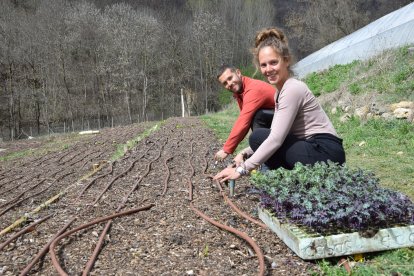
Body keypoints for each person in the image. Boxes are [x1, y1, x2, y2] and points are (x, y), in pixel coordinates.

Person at [214, 27, 346, 182]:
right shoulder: (280, 92)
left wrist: (242, 169)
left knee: (258, 137)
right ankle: (280, 180)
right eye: (263, 65)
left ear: (286, 60)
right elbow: (277, 133)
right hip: (313, 148)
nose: (268, 69)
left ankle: (275, 179)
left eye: (273, 63)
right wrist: (244, 154)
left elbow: (275, 139)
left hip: (325, 152)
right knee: (259, 138)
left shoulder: (292, 89)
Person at [214, 64, 276, 161]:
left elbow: (243, 121)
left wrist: (226, 149)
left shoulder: (253, 89)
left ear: (238, 73)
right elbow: (245, 123)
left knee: (258, 116)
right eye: (225, 83)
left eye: (230, 78)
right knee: (255, 117)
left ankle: (266, 160)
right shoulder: (240, 92)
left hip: (290, 125)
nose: (229, 84)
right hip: (275, 122)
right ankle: (261, 155)